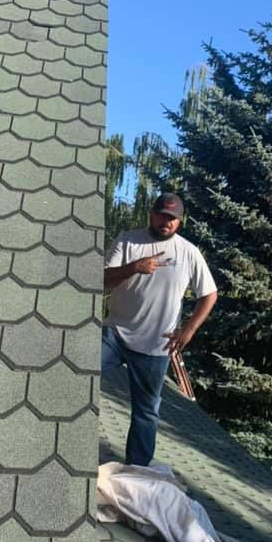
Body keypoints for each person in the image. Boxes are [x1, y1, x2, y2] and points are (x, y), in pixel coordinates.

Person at [102, 192, 218, 466]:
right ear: (151, 214)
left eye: (172, 218)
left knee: (146, 412)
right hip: (115, 333)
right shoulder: (128, 240)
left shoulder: (188, 252)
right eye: (162, 215)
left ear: (180, 221)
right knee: (78, 374)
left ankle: (137, 471)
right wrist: (134, 267)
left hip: (156, 345)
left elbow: (209, 294)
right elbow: (101, 279)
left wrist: (188, 330)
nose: (166, 222)